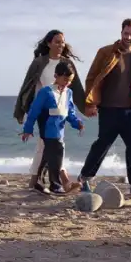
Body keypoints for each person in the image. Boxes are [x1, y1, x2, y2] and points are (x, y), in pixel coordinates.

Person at [77, 18, 131, 195]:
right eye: (126, 33)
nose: (128, 37)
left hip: (129, 109)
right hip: (108, 108)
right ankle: (85, 177)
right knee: (103, 144)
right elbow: (91, 77)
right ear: (121, 33)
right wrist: (91, 103)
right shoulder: (105, 52)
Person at [13, 30, 87, 193]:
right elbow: (27, 86)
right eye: (57, 42)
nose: (61, 45)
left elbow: (77, 89)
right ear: (48, 43)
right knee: (52, 145)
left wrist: (85, 109)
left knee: (49, 146)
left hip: (60, 110)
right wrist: (21, 111)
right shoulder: (39, 62)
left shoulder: (67, 64)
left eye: (62, 42)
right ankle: (61, 182)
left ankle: (35, 182)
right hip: (43, 111)